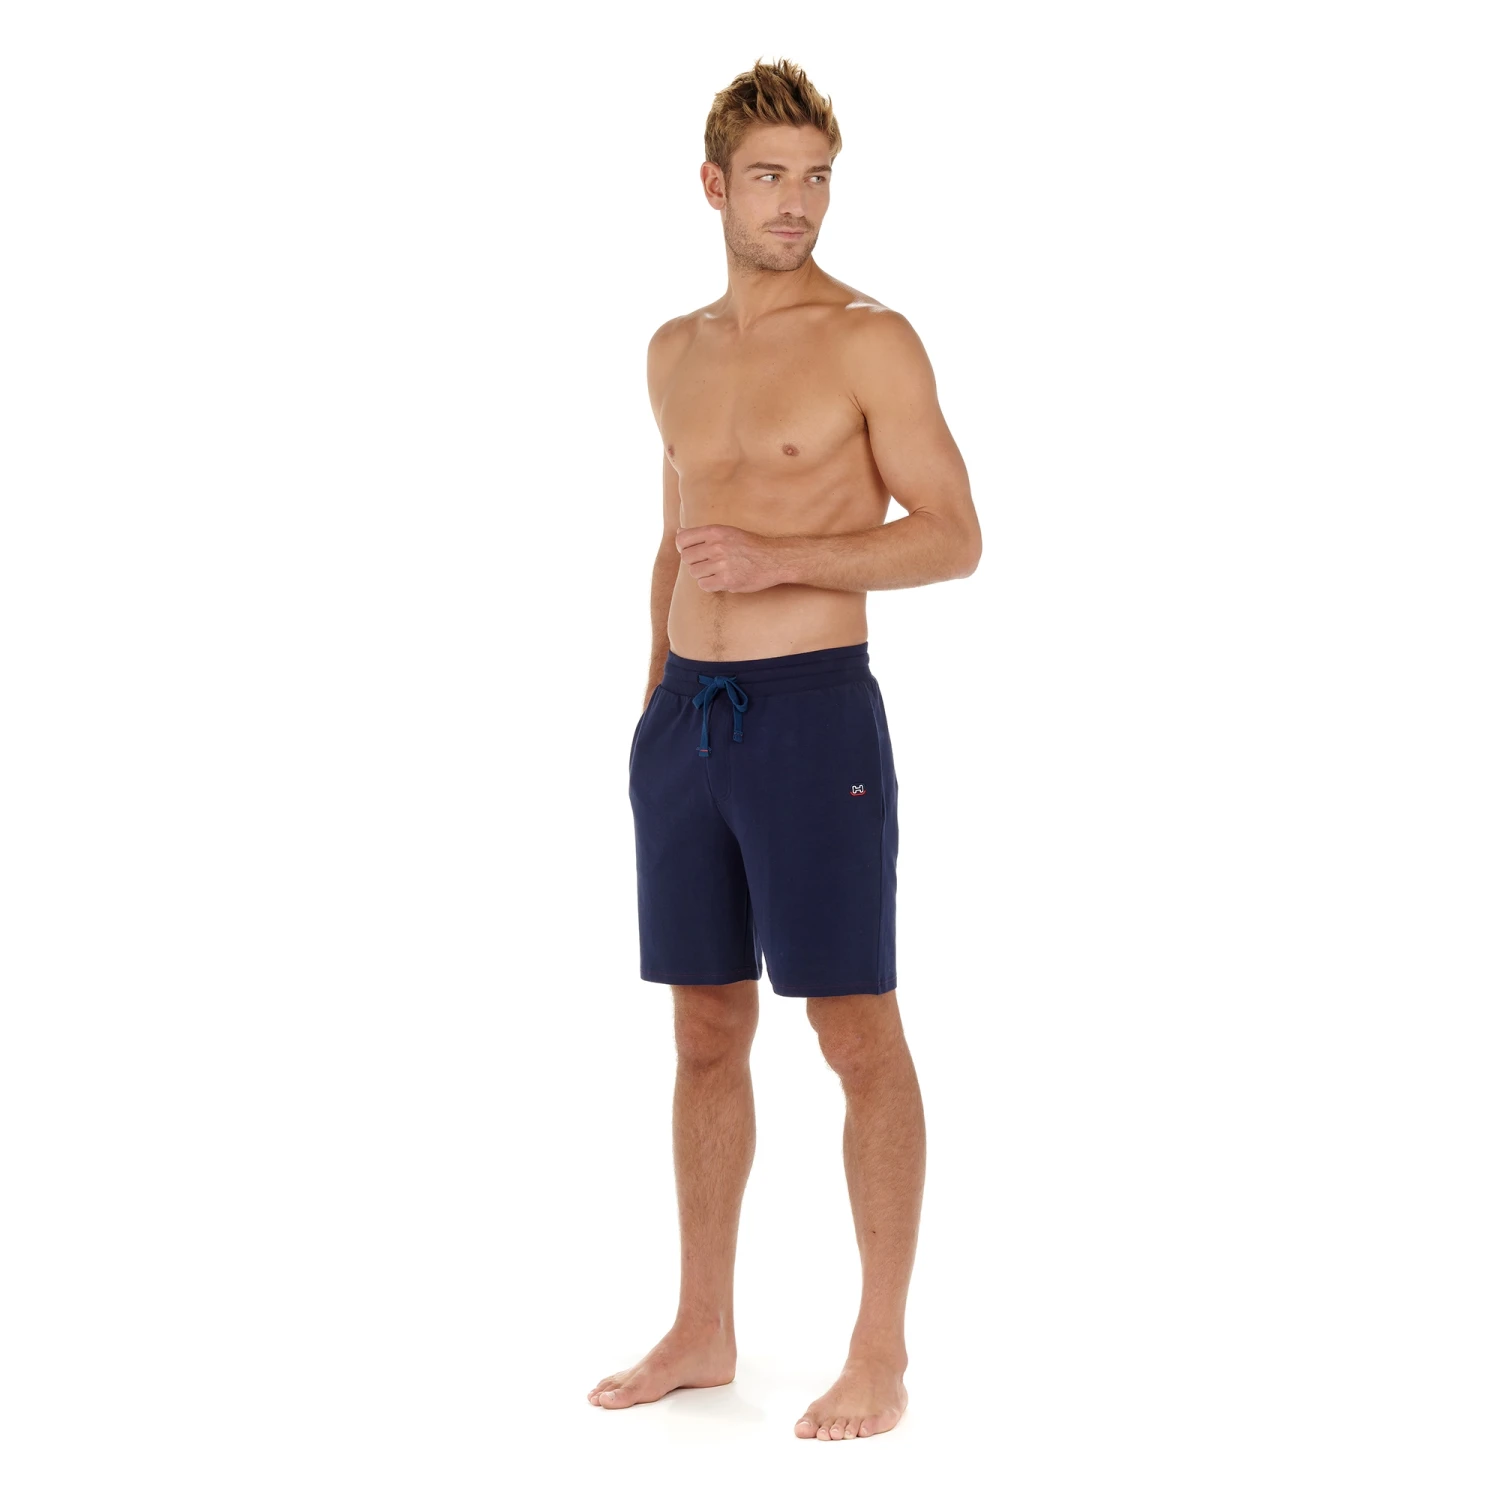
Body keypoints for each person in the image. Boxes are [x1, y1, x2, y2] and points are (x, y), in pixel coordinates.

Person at [588, 57, 982, 1442]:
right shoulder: (672, 351)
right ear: (713, 186)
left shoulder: (872, 339)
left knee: (854, 1028)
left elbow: (954, 535)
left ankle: (880, 1351)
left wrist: (782, 560)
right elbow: (673, 535)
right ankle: (704, 1324)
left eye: (815, 178)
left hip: (814, 715)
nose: (795, 204)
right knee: (704, 1029)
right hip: (686, 721)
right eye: (768, 177)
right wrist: (652, 701)